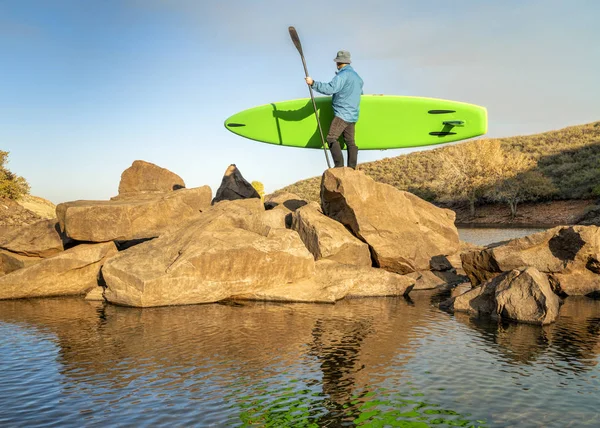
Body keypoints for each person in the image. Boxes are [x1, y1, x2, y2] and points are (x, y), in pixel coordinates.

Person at [305, 50, 364, 169]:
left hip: (342, 114)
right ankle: (352, 169)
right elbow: (360, 94)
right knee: (350, 142)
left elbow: (330, 89)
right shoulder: (358, 78)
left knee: (331, 138)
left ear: (338, 63)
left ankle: (339, 167)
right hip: (353, 115)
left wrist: (313, 83)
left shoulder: (342, 75)